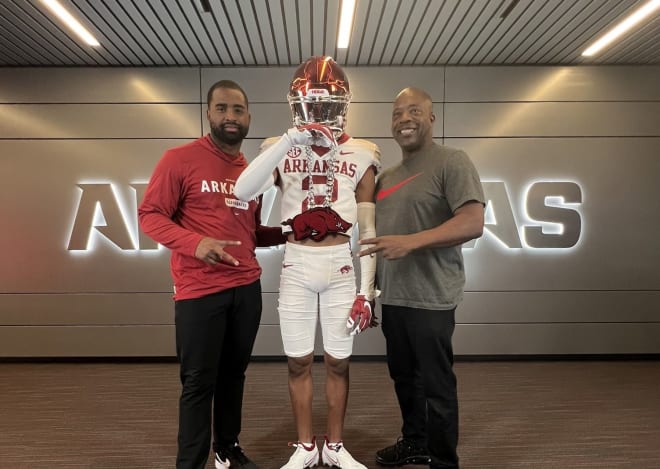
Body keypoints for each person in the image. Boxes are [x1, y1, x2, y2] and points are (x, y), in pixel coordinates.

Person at [234, 56, 381, 469]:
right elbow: (244, 191)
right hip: (297, 265)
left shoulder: (363, 153)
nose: (317, 113)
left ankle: (333, 446)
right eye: (309, 104)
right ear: (296, 105)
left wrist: (367, 293)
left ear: (342, 105)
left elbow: (367, 230)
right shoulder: (278, 150)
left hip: (340, 267)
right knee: (298, 361)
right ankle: (305, 446)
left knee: (338, 362)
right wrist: (288, 141)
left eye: (326, 104)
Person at [138, 80, 286, 469]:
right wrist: (195, 243)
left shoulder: (249, 170)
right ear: (209, 113)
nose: (230, 116)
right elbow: (149, 216)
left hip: (246, 289)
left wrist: (291, 231)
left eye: (238, 109)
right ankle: (190, 462)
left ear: (249, 117)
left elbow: (250, 234)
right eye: (222, 108)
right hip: (199, 291)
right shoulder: (179, 159)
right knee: (199, 383)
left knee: (234, 375)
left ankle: (227, 449)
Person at [358, 87, 485, 469]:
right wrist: (370, 294)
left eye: (413, 111)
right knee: (403, 379)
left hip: (432, 299)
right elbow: (378, 240)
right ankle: (415, 442)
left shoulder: (452, 161)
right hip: (395, 298)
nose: (404, 119)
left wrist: (411, 243)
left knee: (437, 387)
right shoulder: (387, 176)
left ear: (431, 118)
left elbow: (473, 222)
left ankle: (444, 460)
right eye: (397, 114)